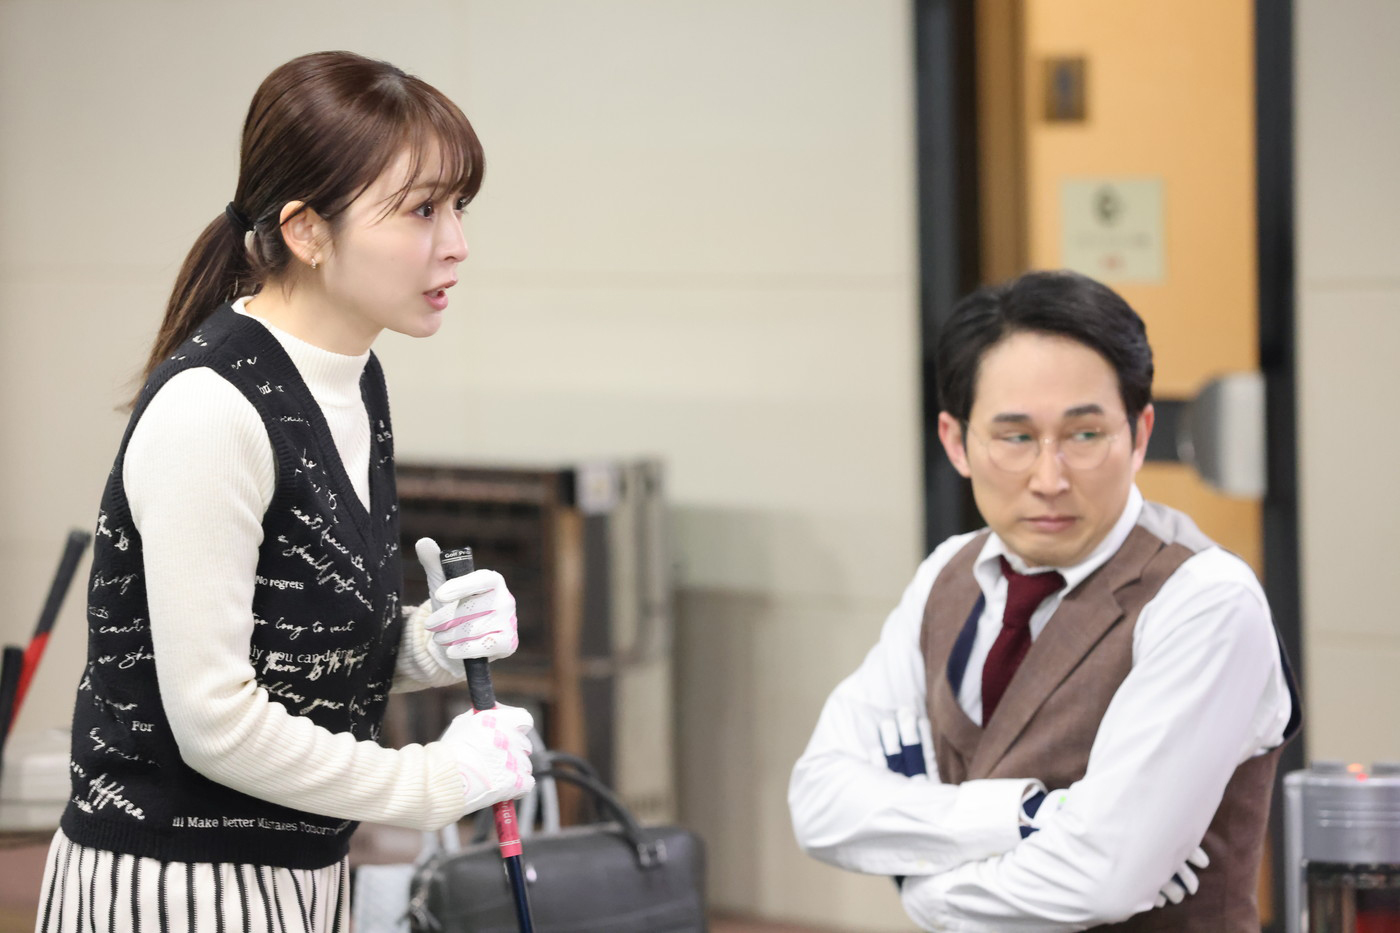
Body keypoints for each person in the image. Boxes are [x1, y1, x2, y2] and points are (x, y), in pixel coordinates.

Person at [36, 51, 535, 932]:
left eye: (460, 206)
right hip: (174, 887)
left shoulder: (356, 378)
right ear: (306, 230)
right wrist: (430, 782)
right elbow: (217, 722)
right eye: (422, 209)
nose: (456, 241)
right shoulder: (211, 410)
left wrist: (424, 642)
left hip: (298, 876)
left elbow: (289, 646)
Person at [789, 270, 1299, 932]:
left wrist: (922, 887)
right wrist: (1026, 816)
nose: (1049, 478)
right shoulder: (948, 574)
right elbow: (821, 800)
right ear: (955, 442)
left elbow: (1101, 878)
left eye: (1084, 435)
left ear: (1140, 434)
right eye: (1016, 437)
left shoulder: (1204, 599)